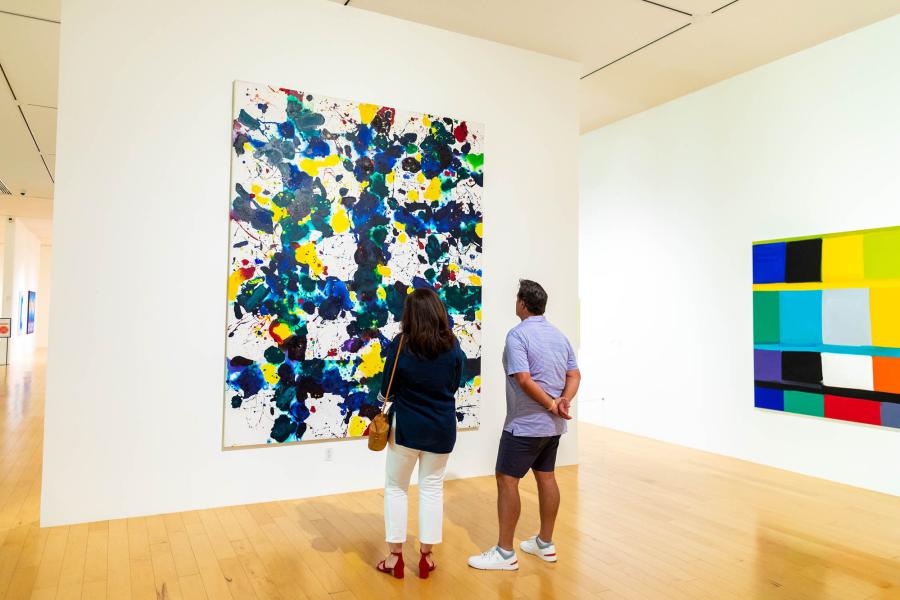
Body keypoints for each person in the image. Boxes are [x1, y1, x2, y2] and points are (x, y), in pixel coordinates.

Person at [468, 279, 581, 571]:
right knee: (546, 477)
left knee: (507, 480)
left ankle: (505, 553)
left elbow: (523, 378)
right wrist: (563, 401)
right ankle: (545, 544)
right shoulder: (559, 336)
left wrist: (550, 404)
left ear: (521, 302)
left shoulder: (518, 335)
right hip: (553, 427)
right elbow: (575, 375)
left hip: (524, 425)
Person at [376, 288, 467, 580]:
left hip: (407, 428)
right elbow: (455, 384)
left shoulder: (401, 344)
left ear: (409, 315)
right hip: (441, 428)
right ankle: (426, 557)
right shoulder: (453, 346)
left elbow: (385, 391)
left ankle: (395, 557)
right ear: (438, 311)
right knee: (431, 489)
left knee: (396, 488)